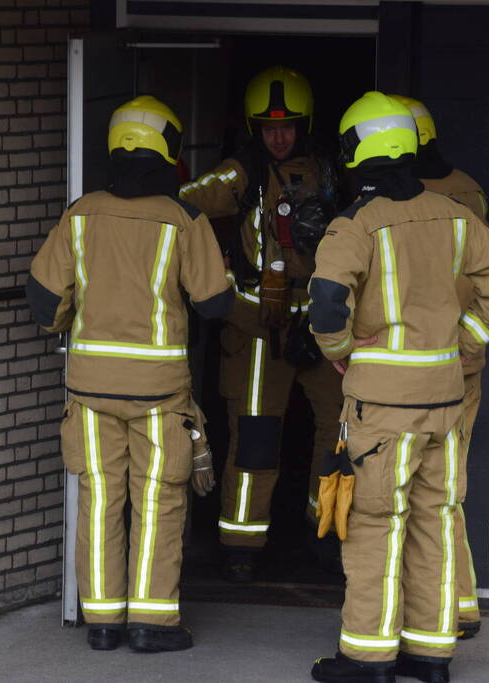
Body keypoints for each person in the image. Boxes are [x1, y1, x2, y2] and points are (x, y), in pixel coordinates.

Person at [308, 92, 489, 683]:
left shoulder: (355, 224)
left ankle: (368, 659)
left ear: (357, 152)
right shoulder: (456, 214)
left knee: (375, 524)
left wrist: (342, 356)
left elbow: (327, 304)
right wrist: (465, 342)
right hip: (446, 397)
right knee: (435, 517)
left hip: (382, 408)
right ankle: (431, 657)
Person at [26, 95, 232, 652]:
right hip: (160, 397)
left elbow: (45, 303)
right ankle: (152, 623)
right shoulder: (183, 220)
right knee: (160, 502)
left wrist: (76, 315)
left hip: (89, 392)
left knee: (99, 501)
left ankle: (102, 623)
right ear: (170, 149)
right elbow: (215, 303)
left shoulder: (81, 212)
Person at [180, 66, 344, 581]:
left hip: (322, 323)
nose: (278, 136)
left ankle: (328, 536)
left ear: (306, 125)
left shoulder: (331, 171)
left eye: (289, 126)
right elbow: (180, 205)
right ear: (253, 129)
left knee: (338, 433)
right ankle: (240, 546)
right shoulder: (241, 171)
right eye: (268, 127)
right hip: (258, 328)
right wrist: (221, 276)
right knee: (254, 437)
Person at [389, 94, 489, 640]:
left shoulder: (409, 203)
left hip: (417, 374)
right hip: (458, 364)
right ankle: (459, 603)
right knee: (445, 493)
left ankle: (436, 609)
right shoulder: (468, 190)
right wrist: (469, 341)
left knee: (413, 501)